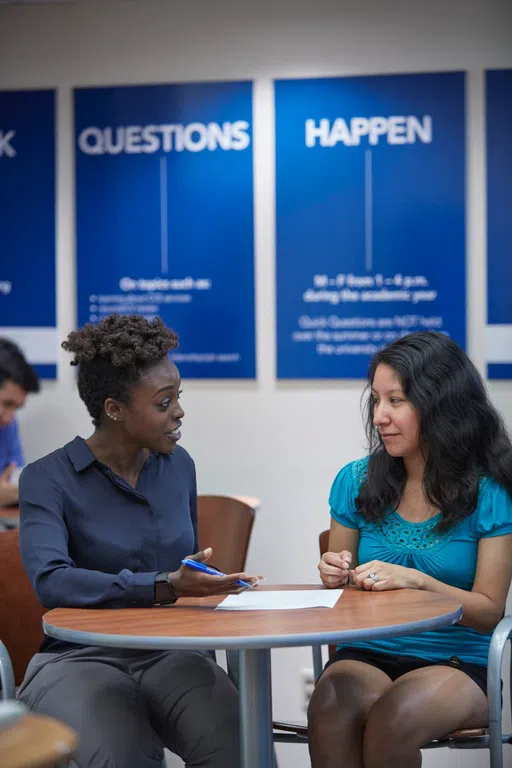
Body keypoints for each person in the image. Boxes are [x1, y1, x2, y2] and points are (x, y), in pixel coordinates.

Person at [18, 314, 259, 768]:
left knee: (242, 747)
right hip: (78, 658)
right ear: (114, 409)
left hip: (171, 652)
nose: (180, 412)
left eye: (178, 397)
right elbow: (52, 581)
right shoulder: (47, 479)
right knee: (123, 755)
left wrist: (208, 583)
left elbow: (184, 566)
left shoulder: (179, 466)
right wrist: (163, 585)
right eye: (164, 402)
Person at [309, 331, 512, 768]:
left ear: (440, 404)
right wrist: (335, 574)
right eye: (376, 400)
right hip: (369, 651)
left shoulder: (490, 492)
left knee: (394, 719)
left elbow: (488, 612)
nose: (380, 416)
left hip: (457, 660)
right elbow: (341, 598)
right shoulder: (355, 480)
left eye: (396, 401)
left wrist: (418, 580)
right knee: (328, 708)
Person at [0, 338, 40, 506]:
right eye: (6, 404)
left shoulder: (8, 425)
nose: (10, 418)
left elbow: (17, 479)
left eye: (17, 408)